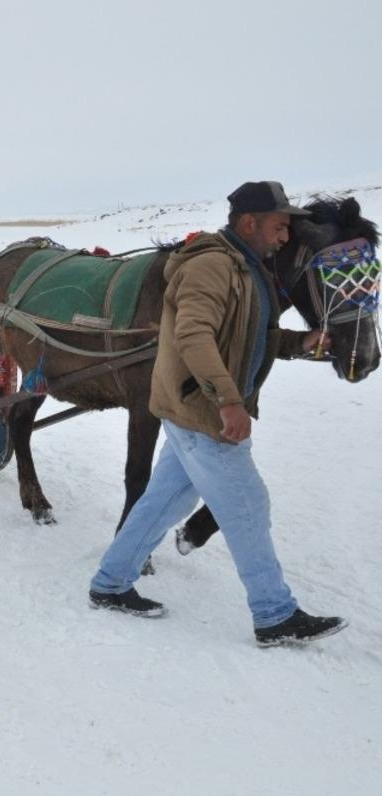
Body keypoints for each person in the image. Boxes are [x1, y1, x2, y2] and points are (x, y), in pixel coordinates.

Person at [87, 180, 346, 647]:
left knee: (166, 500)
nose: (285, 236)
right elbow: (194, 335)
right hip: (203, 410)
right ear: (249, 223)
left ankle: (110, 583)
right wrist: (228, 400)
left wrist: (299, 343)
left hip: (190, 406)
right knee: (248, 504)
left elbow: (249, 335)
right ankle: (274, 615)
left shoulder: (248, 267)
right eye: (279, 226)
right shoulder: (211, 265)